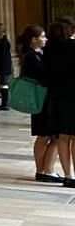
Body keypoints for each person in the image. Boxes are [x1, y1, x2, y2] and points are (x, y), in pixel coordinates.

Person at [19, 26, 57, 182]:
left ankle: (44, 169)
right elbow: (42, 77)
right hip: (40, 100)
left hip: (43, 100)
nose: (46, 39)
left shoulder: (39, 54)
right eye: (42, 36)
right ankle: (41, 170)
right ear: (34, 39)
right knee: (43, 136)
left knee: (48, 136)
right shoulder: (31, 56)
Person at [40, 21, 75, 186]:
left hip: (56, 97)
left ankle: (68, 175)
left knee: (62, 137)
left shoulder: (48, 51)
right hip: (73, 95)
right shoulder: (73, 46)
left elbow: (45, 76)